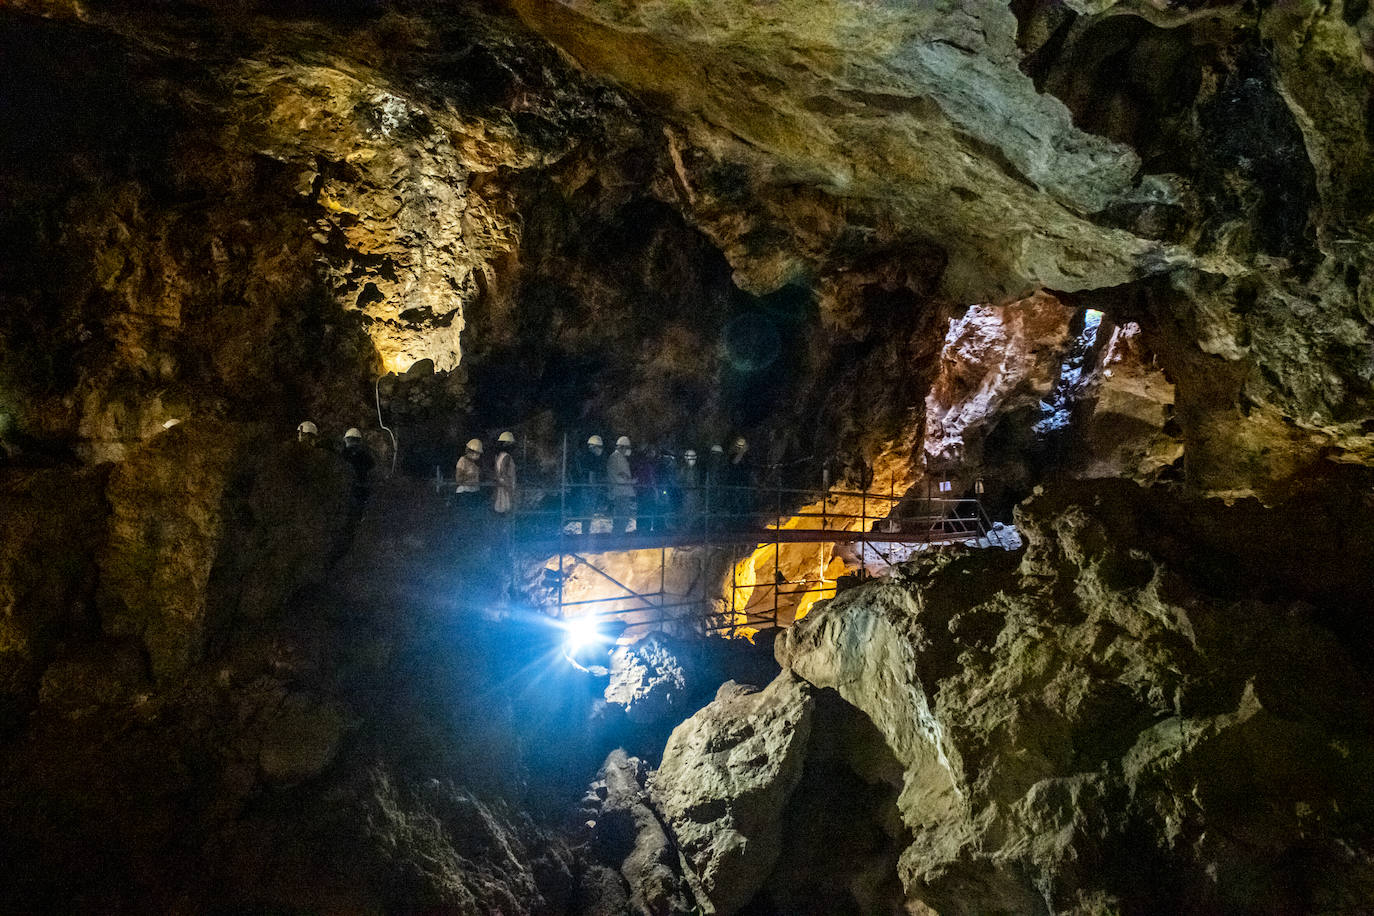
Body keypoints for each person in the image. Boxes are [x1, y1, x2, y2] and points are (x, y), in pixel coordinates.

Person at [573, 435, 605, 531]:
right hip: (589, 490)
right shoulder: (593, 458)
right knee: (588, 513)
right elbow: (592, 476)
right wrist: (595, 489)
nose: (601, 449)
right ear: (594, 446)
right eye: (599, 447)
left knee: (585, 513)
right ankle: (585, 534)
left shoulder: (583, 457)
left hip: (583, 488)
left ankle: (584, 532)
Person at [607, 435, 636, 534]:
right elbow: (619, 474)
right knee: (621, 517)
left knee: (623, 517)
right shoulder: (615, 458)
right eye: (627, 448)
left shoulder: (619, 457)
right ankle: (618, 537)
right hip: (620, 491)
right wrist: (630, 481)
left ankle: (619, 536)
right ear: (622, 447)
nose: (628, 450)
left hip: (622, 491)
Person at [341, 428, 375, 507]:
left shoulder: (344, 453)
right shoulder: (365, 454)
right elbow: (372, 466)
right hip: (362, 486)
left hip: (348, 488)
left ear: (347, 439)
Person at [455, 438, 483, 510]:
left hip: (474, 492)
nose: (478, 456)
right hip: (465, 493)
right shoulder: (462, 461)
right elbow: (458, 479)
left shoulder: (473, 463)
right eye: (477, 453)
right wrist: (470, 476)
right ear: (471, 452)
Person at [678, 448, 702, 531]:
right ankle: (686, 529)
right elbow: (680, 481)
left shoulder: (696, 469)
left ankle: (692, 528)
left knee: (695, 511)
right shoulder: (683, 469)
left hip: (694, 493)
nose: (692, 460)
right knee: (687, 511)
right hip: (687, 493)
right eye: (690, 457)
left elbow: (697, 481)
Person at [493, 431, 516, 515]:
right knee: (507, 510)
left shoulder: (499, 456)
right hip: (506, 487)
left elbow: (497, 472)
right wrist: (509, 487)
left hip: (501, 486)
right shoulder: (506, 456)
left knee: (501, 509)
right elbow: (503, 472)